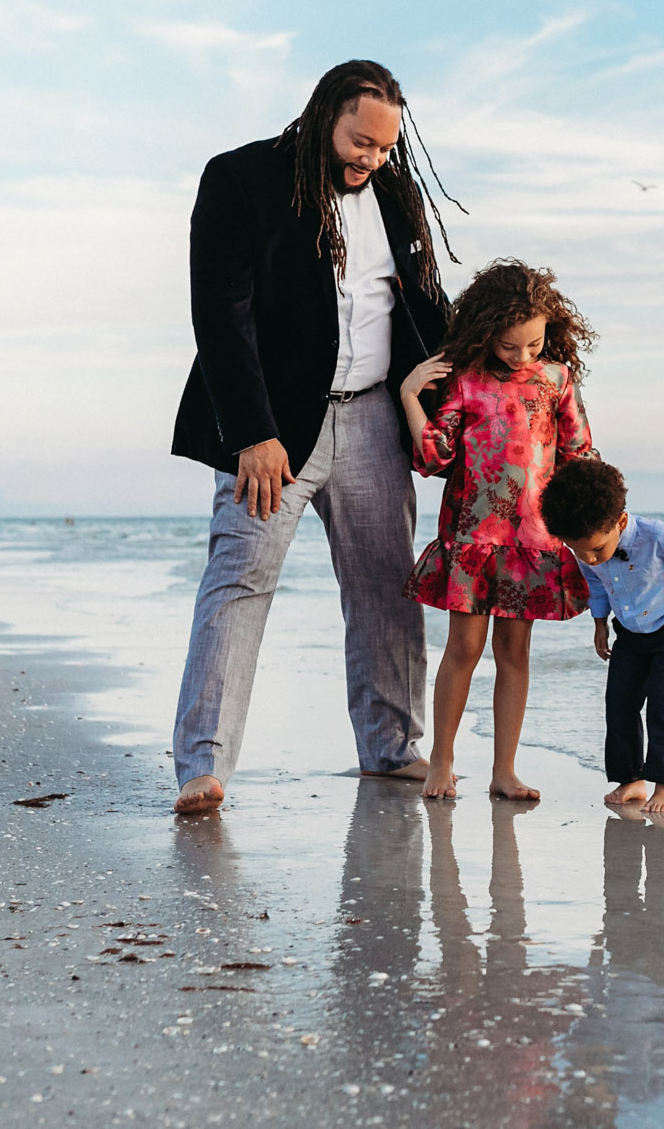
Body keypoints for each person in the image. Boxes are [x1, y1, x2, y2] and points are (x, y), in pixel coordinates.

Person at [166, 59, 458, 815]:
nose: (372, 158)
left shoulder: (395, 193)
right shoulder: (241, 178)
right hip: (276, 428)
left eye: (385, 147)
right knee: (238, 581)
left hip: (371, 419)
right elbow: (219, 314)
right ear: (324, 113)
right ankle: (202, 765)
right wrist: (252, 433)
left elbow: (421, 301)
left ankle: (392, 747)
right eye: (360, 141)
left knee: (387, 588)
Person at [400, 259, 596, 801]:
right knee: (463, 648)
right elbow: (434, 456)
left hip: (535, 541)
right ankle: (441, 761)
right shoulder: (467, 380)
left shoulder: (557, 379)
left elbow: (578, 454)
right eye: (511, 347)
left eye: (533, 345)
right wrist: (410, 397)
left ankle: (504, 771)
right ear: (487, 333)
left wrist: (599, 525)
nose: (523, 356)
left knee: (516, 654)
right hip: (473, 537)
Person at [542, 457, 664, 815]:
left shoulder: (662, 537)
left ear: (620, 522)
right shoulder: (585, 549)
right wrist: (599, 622)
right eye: (579, 551)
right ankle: (631, 780)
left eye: (596, 549)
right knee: (619, 705)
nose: (590, 559)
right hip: (630, 635)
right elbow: (597, 584)